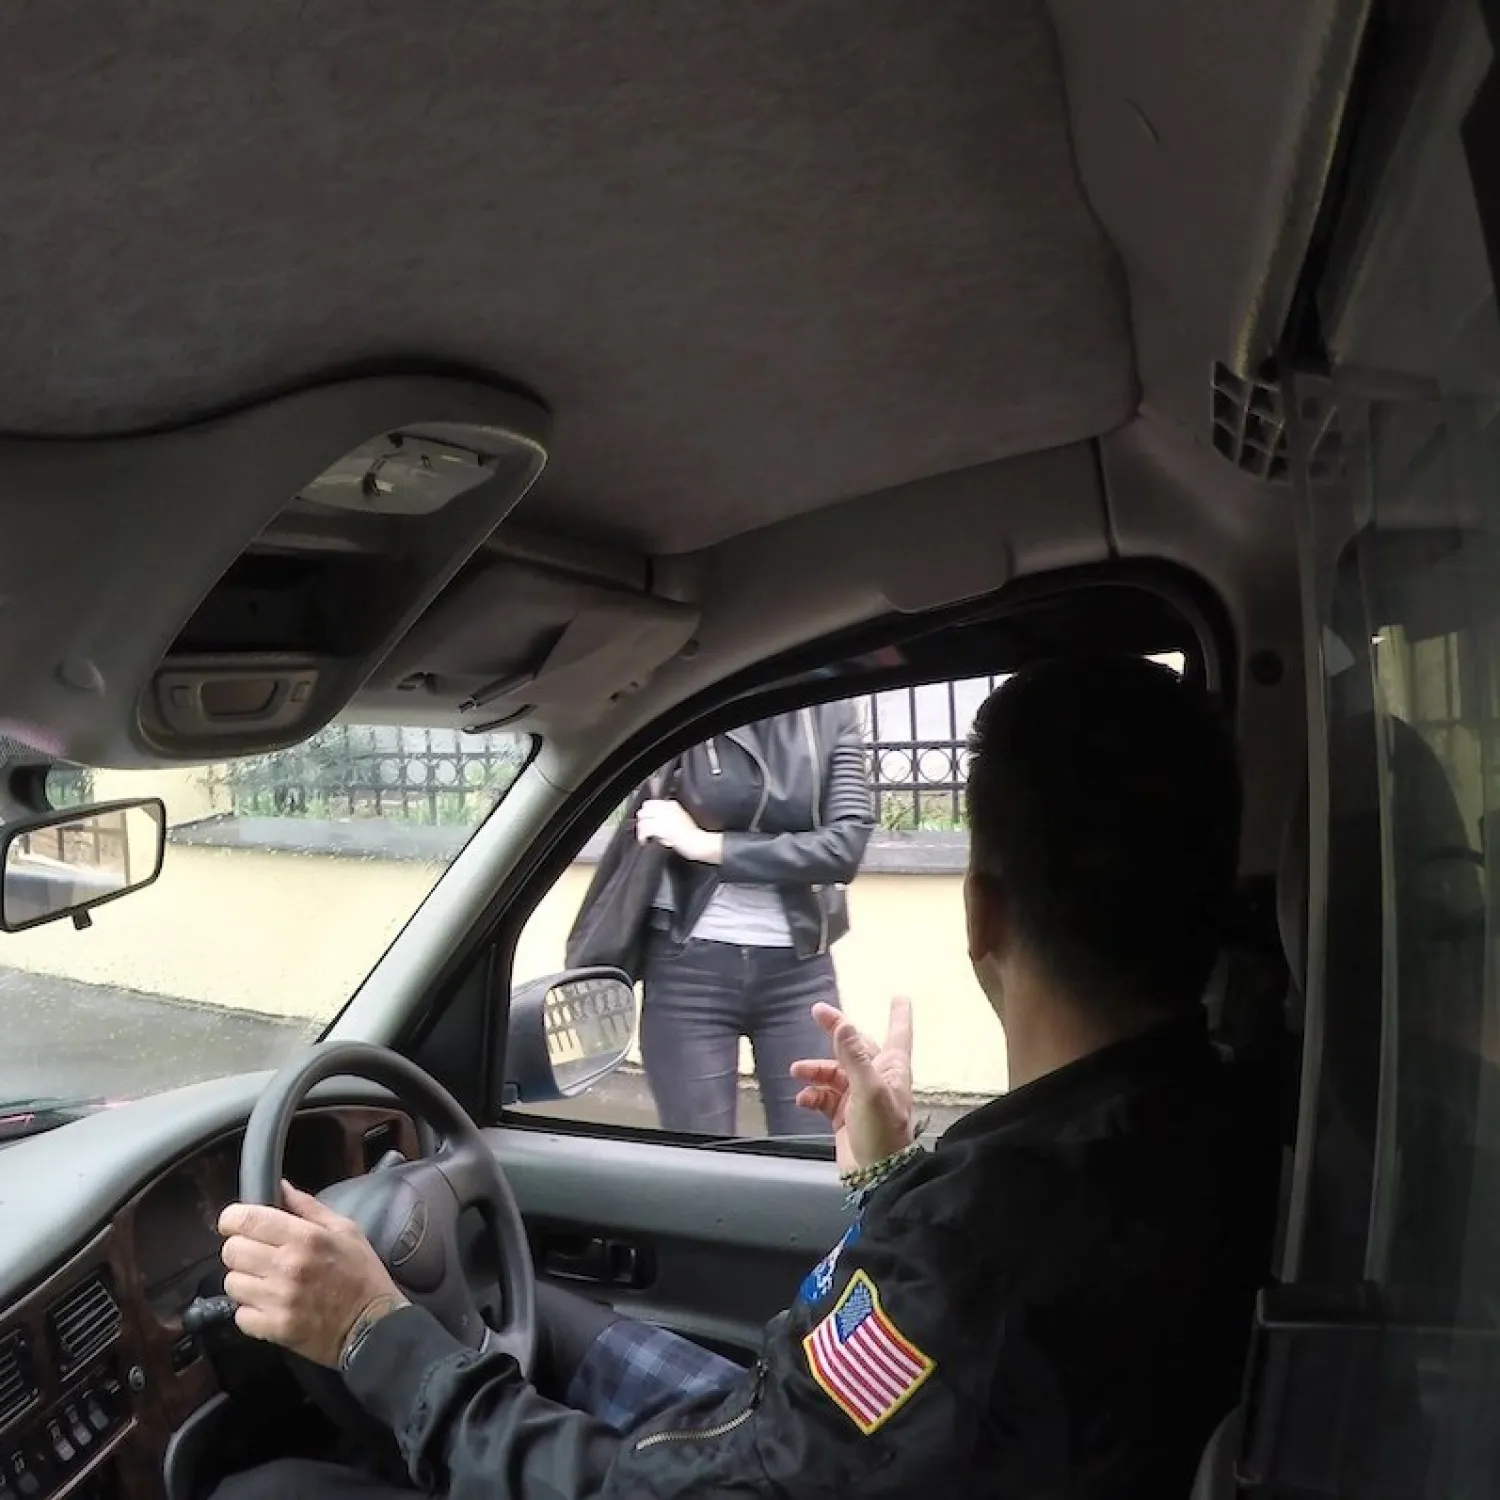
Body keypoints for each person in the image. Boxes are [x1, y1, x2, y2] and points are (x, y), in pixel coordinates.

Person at [213, 656, 1280, 1499]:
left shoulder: (985, 1245)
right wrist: (887, 1182)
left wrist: (373, 1335)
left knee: (263, 1489)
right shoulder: (1209, 1128)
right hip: (793, 1428)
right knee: (554, 1319)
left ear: (981, 913)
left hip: (761, 1452)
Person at [586, 702, 876, 1136]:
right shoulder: (689, 702)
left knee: (811, 1150)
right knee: (698, 1158)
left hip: (799, 974)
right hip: (687, 972)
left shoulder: (830, 711)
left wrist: (708, 846)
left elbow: (844, 847)